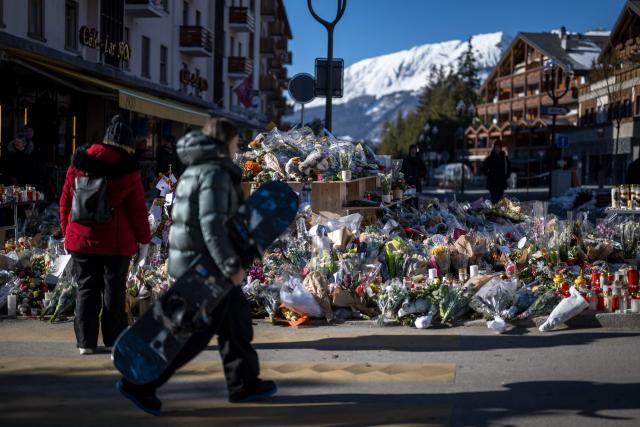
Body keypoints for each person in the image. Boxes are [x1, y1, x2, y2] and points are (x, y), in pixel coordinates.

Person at [116, 118, 276, 415]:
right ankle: (140, 384)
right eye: (234, 142)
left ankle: (244, 383)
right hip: (204, 267)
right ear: (222, 142)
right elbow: (212, 225)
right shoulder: (214, 172)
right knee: (193, 333)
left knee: (236, 319)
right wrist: (230, 265)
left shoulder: (197, 167)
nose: (238, 147)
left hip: (198, 262)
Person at [59, 115, 151, 355]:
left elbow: (66, 200)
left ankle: (85, 343)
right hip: (117, 241)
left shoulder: (78, 161)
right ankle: (113, 340)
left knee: (86, 288)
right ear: (126, 143)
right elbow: (138, 209)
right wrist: (144, 240)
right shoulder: (129, 168)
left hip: (81, 236)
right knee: (114, 290)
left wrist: (66, 231)